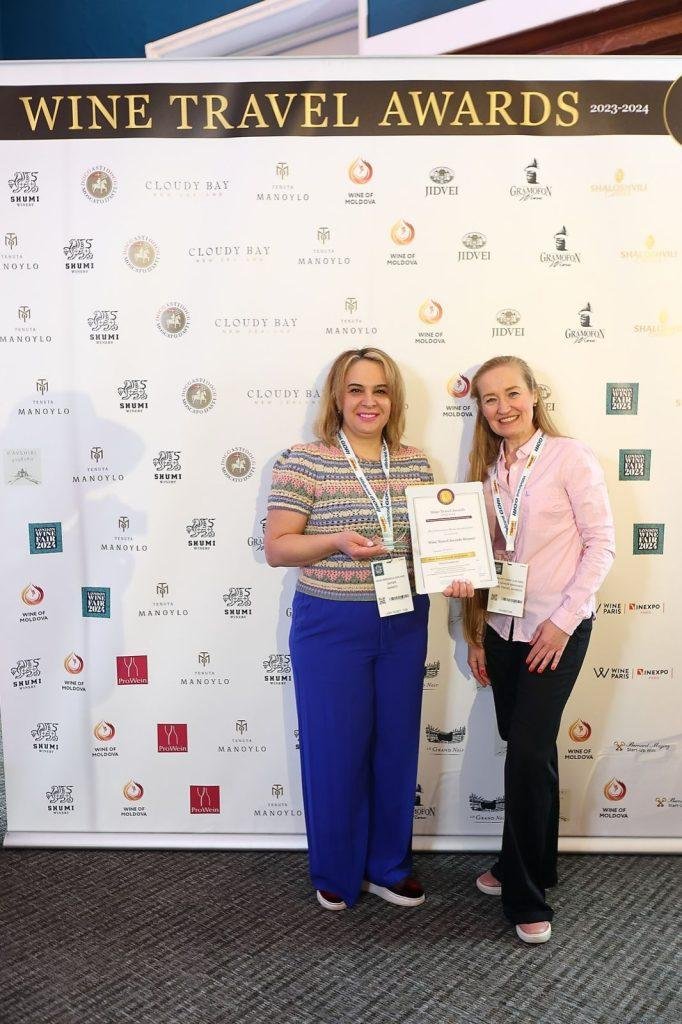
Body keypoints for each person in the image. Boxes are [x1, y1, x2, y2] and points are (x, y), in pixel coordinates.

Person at [444, 355, 615, 944]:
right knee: (529, 749)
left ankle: (524, 895)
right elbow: (484, 559)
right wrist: (475, 629)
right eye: (490, 399)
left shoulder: (570, 457)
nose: (503, 408)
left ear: (534, 395)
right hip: (502, 629)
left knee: (525, 755)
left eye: (512, 393)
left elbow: (602, 545)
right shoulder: (488, 471)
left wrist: (563, 622)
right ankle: (539, 863)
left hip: (555, 631)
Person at [265, 348, 432, 911]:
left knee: (395, 746)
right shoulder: (303, 461)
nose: (368, 401)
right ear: (337, 397)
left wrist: (458, 571)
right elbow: (278, 547)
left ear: (393, 400)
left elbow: (430, 546)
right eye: (356, 389)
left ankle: (389, 866)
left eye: (380, 390)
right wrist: (336, 541)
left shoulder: (414, 464)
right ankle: (336, 869)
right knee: (334, 748)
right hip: (331, 623)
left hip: (404, 618)